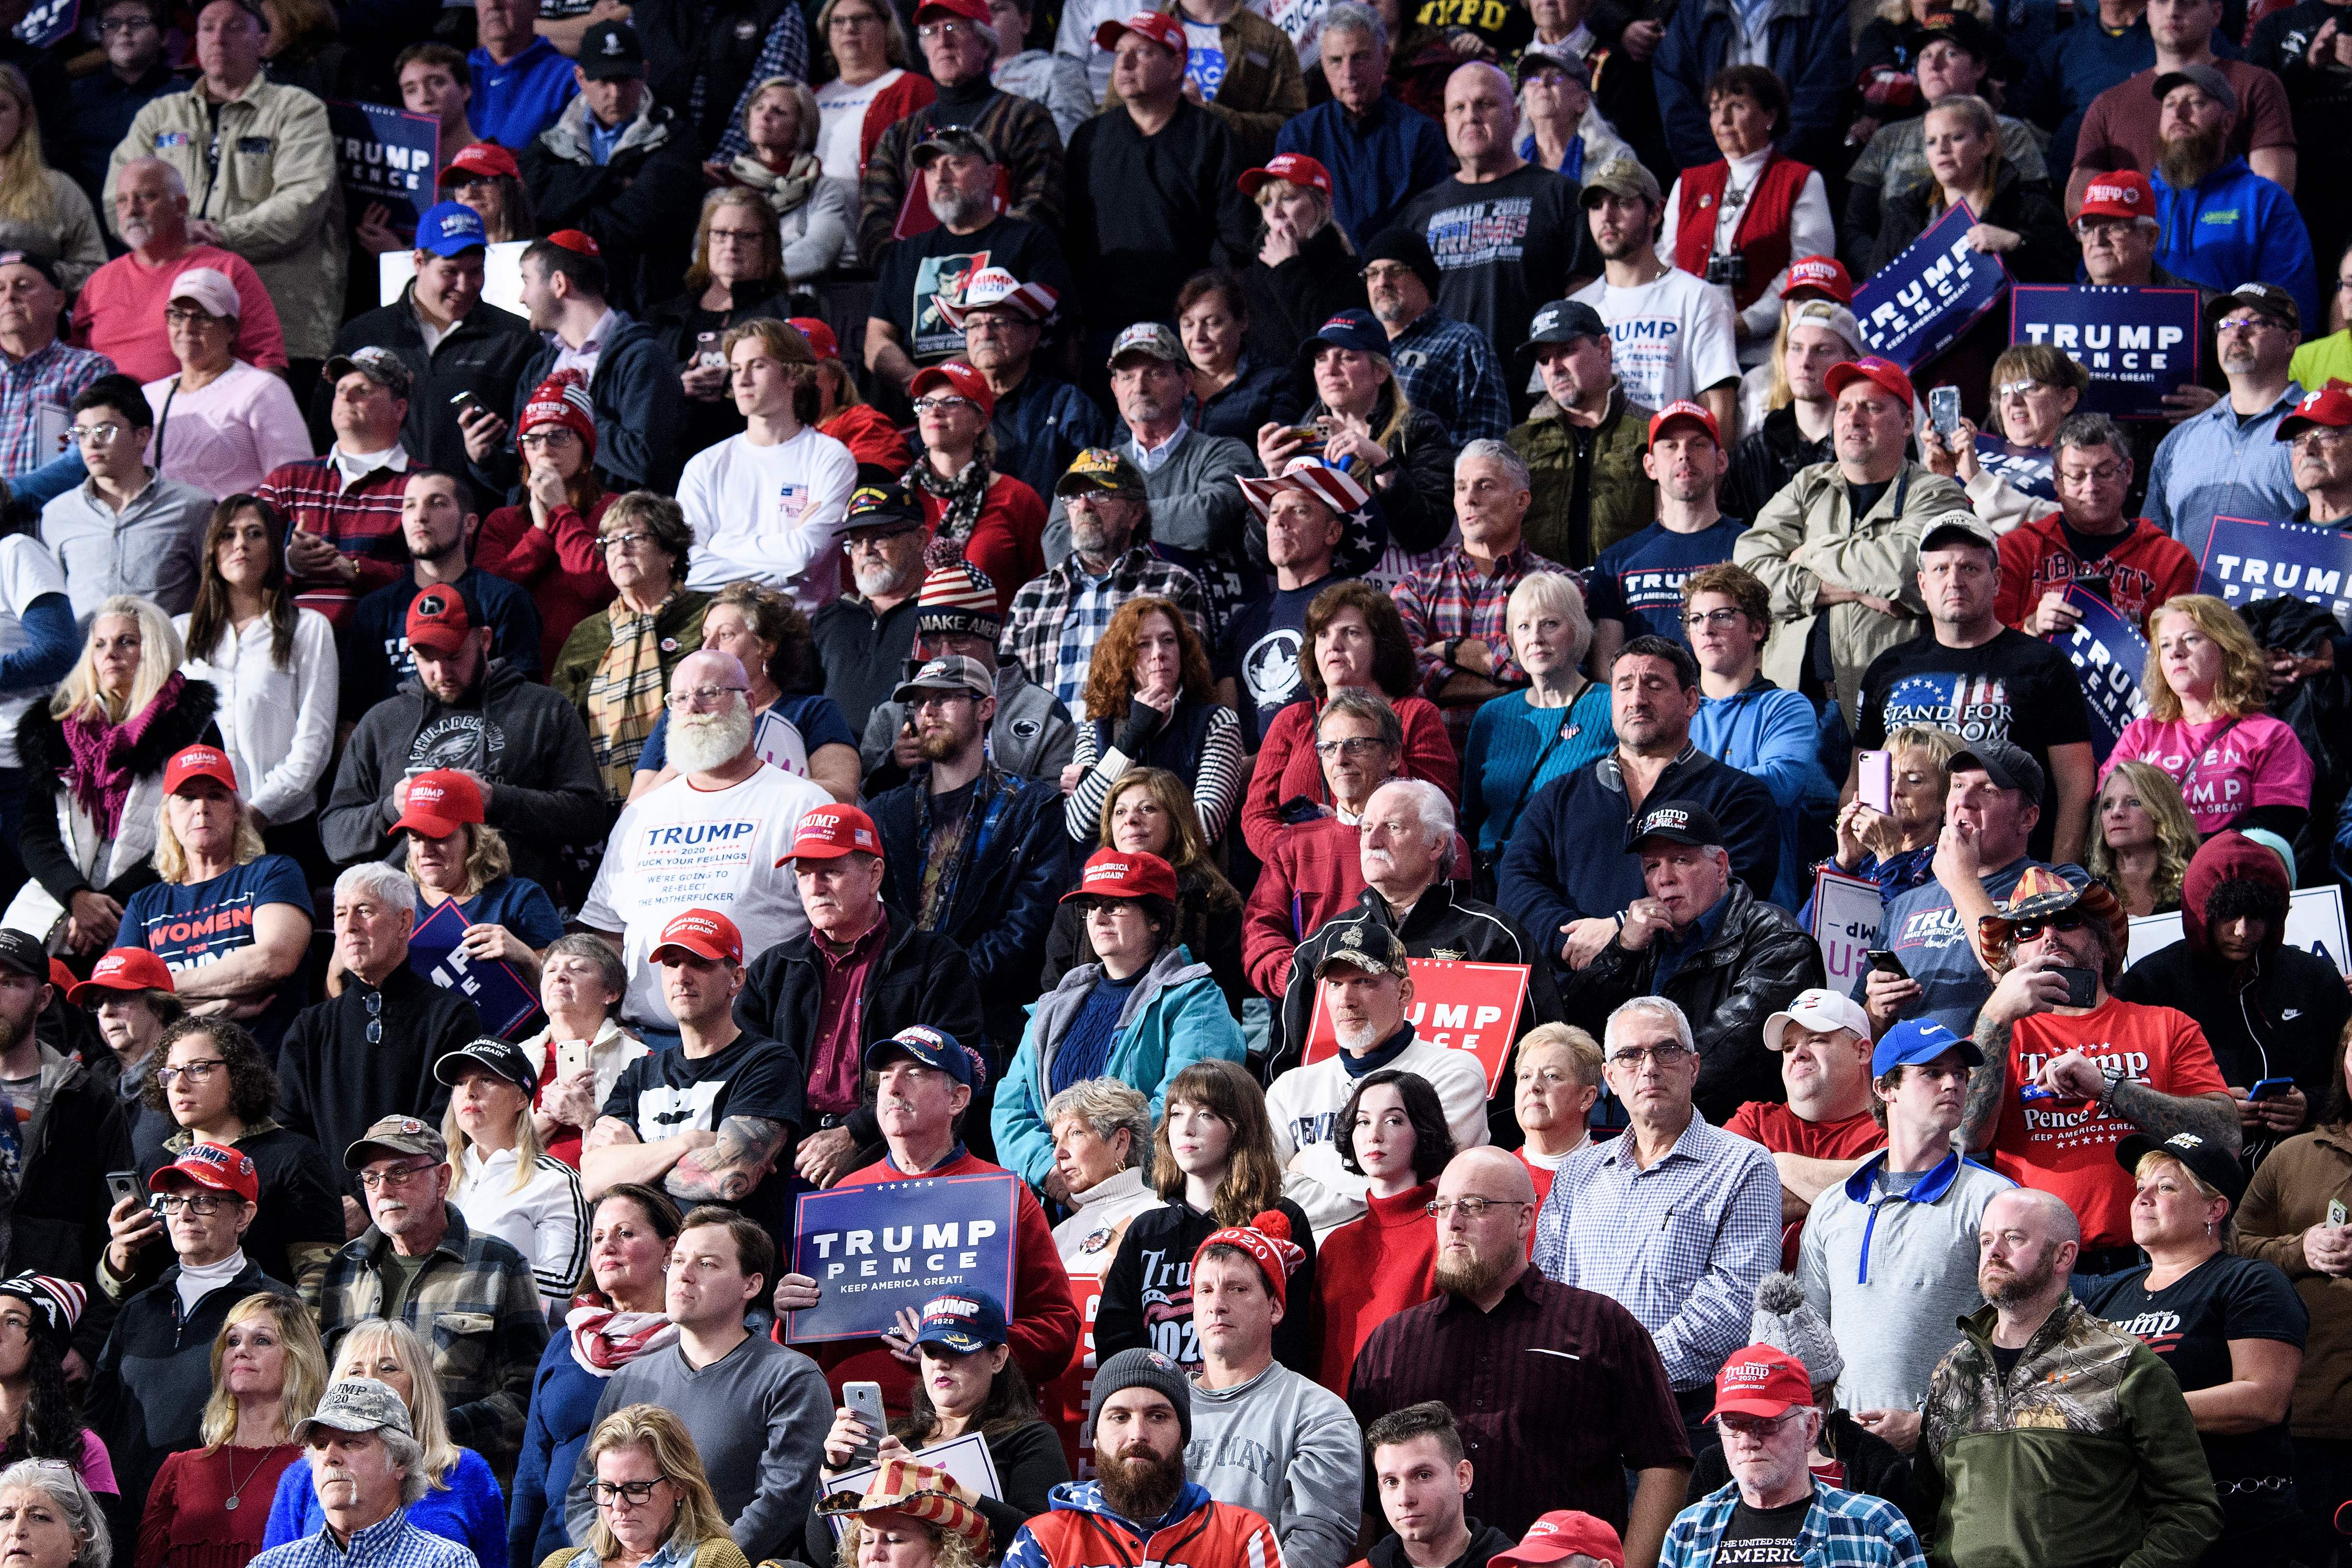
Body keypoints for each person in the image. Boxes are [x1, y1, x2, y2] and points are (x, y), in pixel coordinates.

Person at [1351, 1146, 1692, 1551]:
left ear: (1524, 1218)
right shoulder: (1392, 1343)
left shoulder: (1600, 1326)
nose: (1453, 1223)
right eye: (1441, 1208)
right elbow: (1364, 1491)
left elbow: (1664, 1462)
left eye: (1474, 1206)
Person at [768, 1025, 1081, 1406]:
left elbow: (1057, 1330)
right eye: (885, 1077)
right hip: (845, 1425)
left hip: (959, 1428)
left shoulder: (1003, 1195)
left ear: (958, 1099)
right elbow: (801, 1357)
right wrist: (789, 1319)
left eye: (914, 1073)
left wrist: (960, 1351)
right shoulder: (841, 1195)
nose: (894, 1087)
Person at [1912, 1186, 2223, 1565]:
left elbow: (2190, 1509)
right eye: (1986, 1240)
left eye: (2014, 1238)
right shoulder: (1952, 1370)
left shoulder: (2124, 1362)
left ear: (2063, 1256)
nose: (1994, 1252)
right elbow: (1923, 1511)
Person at [1963, 866, 2240, 1278]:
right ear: (2013, 958)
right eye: (2027, 930)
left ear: (2103, 941)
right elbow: (1964, 1135)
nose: (2049, 936)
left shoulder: (2167, 1025)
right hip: (2039, 1272)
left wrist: (2108, 1087)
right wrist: (1998, 1015)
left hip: (2154, 1264)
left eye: (2067, 920)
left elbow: (2226, 1136)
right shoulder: (2001, 1035)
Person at [1532, 996, 1781, 1437]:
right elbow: (1546, 1289)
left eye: (1666, 1050)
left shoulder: (1744, 1164)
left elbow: (1733, 1304)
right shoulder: (1576, 1173)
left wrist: (1619, 1373)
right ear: (1609, 1077)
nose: (1648, 1068)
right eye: (1630, 1055)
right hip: (1576, 1410)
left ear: (1694, 1066)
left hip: (1684, 1418)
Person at [1495, 638, 1781, 987]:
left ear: (1691, 701)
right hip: (1572, 995)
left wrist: (1621, 930)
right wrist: (1568, 939)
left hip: (1685, 1000)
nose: (1637, 700)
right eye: (1625, 686)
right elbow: (1516, 883)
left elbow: (1733, 895)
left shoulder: (1739, 796)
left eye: (1654, 685)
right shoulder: (1560, 796)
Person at [727, 802, 984, 1187]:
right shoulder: (772, 969)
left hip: (894, 1152)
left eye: (830, 871)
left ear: (874, 874)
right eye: (805, 875)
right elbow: (744, 1073)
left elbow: (951, 1067)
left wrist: (856, 1133)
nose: (815, 887)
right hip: (785, 1155)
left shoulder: (937, 961)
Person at [2083, 1129, 2309, 1559]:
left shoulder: (2251, 1282)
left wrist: (2131, 1411)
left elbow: (2261, 1400)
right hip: (2127, 1520)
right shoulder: (2109, 1295)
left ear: (2215, 1208)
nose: (2143, 1198)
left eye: (2165, 1187)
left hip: (2234, 1522)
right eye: (2140, 1187)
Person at [1793, 1017, 2011, 1458]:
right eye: (1932, 1073)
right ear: (1884, 1088)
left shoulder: (1996, 1200)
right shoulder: (1834, 1206)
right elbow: (1809, 1345)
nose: (1952, 1084)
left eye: (1960, 1075)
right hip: (1846, 1459)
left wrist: (1934, 1423)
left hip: (1958, 1460)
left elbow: (2024, 1346)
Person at [1271, 777, 1558, 1110]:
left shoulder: (1495, 937)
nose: (1372, 841)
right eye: (1366, 829)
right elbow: (1286, 1067)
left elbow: (1544, 1054)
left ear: (1436, 845)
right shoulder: (1325, 942)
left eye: (1392, 827)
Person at [559, 1209, 827, 1563]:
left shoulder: (790, 1378)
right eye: (679, 1260)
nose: (683, 1275)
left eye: (706, 1264)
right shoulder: (630, 1379)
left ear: (751, 1284)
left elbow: (781, 1504)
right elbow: (584, 1492)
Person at [848, 656, 1073, 1062]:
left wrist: (943, 981)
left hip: (987, 1028)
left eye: (945, 698)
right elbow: (865, 916)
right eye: (919, 703)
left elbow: (1028, 926)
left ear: (986, 708)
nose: (928, 712)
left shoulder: (1032, 808)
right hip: (890, 1025)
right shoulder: (886, 813)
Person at [321, 575, 605, 893]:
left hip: (509, 912)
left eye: (454, 656)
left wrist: (495, 799)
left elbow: (589, 816)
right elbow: (335, 837)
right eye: (426, 658)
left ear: (484, 640)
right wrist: (392, 808)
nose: (440, 673)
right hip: (407, 919)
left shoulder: (544, 709)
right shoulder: (382, 723)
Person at [103, 0, 344, 367]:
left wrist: (215, 235)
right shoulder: (159, 115)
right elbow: (116, 200)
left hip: (275, 319)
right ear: (194, 40)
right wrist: (174, 236)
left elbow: (301, 202)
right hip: (171, 328)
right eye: (208, 27)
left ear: (262, 42)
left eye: (234, 27)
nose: (218, 38)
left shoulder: (298, 109)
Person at [1733, 356, 1966, 728]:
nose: (1854, 419)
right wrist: (1852, 591)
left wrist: (1808, 552)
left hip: (1894, 711)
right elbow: (1749, 575)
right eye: (1844, 408)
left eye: (1872, 408)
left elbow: (1903, 570)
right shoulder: (1807, 484)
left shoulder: (1937, 494)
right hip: (1792, 710)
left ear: (1908, 422)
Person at [1852, 516, 2097, 865]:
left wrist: (2059, 878)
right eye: (1940, 569)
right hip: (1902, 870)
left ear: (1997, 581)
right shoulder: (1888, 668)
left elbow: (2076, 787)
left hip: (2009, 873)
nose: (1954, 581)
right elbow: (1865, 777)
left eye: (1970, 568)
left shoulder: (2043, 663)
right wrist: (1861, 867)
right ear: (1922, 584)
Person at [999, 847, 1246, 1193]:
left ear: (1156, 919)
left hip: (1150, 1199)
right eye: (1090, 908)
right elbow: (1011, 1108)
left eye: (1114, 906)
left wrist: (1101, 1174)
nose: (1098, 918)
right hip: (1060, 1203)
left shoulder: (1196, 999)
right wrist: (1053, 1175)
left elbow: (1188, 1102)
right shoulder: (1053, 1006)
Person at [1563, 800, 1823, 1125]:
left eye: (1680, 860)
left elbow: (1736, 1050)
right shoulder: (1644, 935)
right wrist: (1624, 950)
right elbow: (1579, 1025)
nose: (1665, 879)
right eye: (1651, 867)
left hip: (1730, 1130)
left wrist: (1637, 1087)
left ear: (1721, 865)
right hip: (1634, 1119)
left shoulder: (1775, 937)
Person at [315, 1114, 549, 1475]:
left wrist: (430, 1433)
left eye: (400, 1173)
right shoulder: (344, 1269)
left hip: (457, 1481)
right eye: (371, 1178)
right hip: (359, 1485)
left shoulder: (498, 1265)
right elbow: (324, 1386)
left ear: (442, 1179)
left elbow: (529, 1394)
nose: (383, 1189)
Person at [87, 1143, 296, 1511]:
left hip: (225, 1515)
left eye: (203, 1201)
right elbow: (96, 1419)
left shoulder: (278, 1307)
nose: (184, 1214)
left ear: (244, 1216)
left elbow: (298, 1412)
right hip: (126, 1518)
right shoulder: (140, 1308)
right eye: (173, 1201)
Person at [2116, 829, 2349, 1160]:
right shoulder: (2151, 983)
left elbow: (2343, 1076)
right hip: (2187, 1169)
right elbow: (2124, 1089)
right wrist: (2208, 1111)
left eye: (2255, 917)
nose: (2241, 932)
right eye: (2228, 915)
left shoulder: (2315, 979)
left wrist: (2310, 1105)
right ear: (2201, 911)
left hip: (2304, 1158)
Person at [577, 909, 804, 1238]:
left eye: (699, 962)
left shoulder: (768, 1063)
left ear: (736, 979)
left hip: (729, 1268)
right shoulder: (640, 1072)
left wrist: (636, 1157)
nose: (681, 976)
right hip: (649, 1268)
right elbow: (595, 1180)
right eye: (671, 964)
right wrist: (690, 1143)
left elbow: (731, 1176)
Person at [274, 864, 485, 1207]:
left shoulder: (449, 1016)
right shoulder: (310, 1026)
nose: (349, 925)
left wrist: (367, 1199)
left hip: (421, 1207)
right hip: (328, 1213)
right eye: (340, 914)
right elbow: (289, 1130)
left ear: (404, 922)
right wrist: (326, 1204)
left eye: (365, 911)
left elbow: (445, 1119)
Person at [15, 600, 217, 956]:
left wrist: (106, 907)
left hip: (154, 899)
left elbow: (193, 834)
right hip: (61, 898)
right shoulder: (54, 728)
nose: (111, 654)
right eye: (100, 644)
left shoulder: (192, 726)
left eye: (127, 642)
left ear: (154, 649)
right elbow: (35, 830)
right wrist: (76, 896)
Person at [1263, 923, 1491, 1235]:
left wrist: (1310, 1160)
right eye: (1335, 984)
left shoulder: (1453, 1073)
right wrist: (1374, 1186)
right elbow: (1266, 1198)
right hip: (1308, 1267)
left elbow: (1419, 1188)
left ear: (1404, 992)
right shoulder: (1289, 1089)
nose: (1346, 1000)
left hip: (1411, 1258)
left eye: (1364, 982)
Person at [1094, 1057, 1319, 1374]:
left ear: (1240, 1128)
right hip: (1162, 1412)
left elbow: (1293, 1337)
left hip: (1251, 1407)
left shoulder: (1280, 1219)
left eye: (1205, 1115)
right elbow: (1116, 1340)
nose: (1186, 1129)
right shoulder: (1146, 1231)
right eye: (1176, 1114)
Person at [816, 1285, 1070, 1554]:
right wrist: (833, 1469)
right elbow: (821, 1553)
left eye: (957, 1350)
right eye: (930, 1351)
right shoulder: (890, 1439)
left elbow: (1044, 1542)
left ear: (997, 1359)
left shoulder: (1030, 1438)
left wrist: (935, 1487)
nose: (940, 1363)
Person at [505, 1184, 679, 1568]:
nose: (606, 1246)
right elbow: (534, 1468)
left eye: (625, 1233)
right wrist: (518, 1554)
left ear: (670, 1249)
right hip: (557, 1551)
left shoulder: (696, 1341)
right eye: (598, 1237)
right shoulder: (566, 1341)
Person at [1174, 1213, 1361, 1568]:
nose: (1218, 1304)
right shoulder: (1161, 1407)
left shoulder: (1319, 1413)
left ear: (1275, 1307)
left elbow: (1317, 1543)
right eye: (1206, 1290)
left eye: (1237, 1289)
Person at [1041, 327, 1258, 619]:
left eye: (1154, 373)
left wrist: (1105, 522)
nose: (1139, 387)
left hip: (1204, 625)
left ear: (1186, 382)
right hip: (1109, 629)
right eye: (1127, 377)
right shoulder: (1088, 468)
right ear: (1115, 388)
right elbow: (1056, 544)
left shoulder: (1224, 453)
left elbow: (1208, 520)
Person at [1239, 578, 1459, 864]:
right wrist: (1304, 859)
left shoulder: (1417, 715)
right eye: (1323, 635)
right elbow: (1257, 815)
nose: (1334, 645)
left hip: (1390, 875)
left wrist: (1351, 842)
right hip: (1302, 879)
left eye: (1351, 633)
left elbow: (1436, 815)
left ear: (1382, 647)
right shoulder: (1292, 721)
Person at [1065, 13, 1257, 338]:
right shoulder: (1089, 138)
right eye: (1120, 53)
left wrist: (1202, 309)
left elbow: (1236, 234)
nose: (1125, 64)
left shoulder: (1212, 137)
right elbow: (1072, 234)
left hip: (1188, 327)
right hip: (1104, 326)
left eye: (1142, 52)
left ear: (1175, 65)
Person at [1001, 1349, 1284, 1568]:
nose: (1138, 1434)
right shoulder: (1043, 1541)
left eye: (1158, 1416)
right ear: (1095, 1436)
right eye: (1120, 1417)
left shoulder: (1245, 1537)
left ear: (1184, 1435)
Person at [326, 203, 535, 500]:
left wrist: (489, 461)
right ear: (418, 262)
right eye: (450, 271)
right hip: (377, 510)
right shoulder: (364, 334)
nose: (463, 286)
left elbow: (530, 448)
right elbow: (326, 428)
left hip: (474, 516)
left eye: (476, 272)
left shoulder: (515, 339)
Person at [458, 233, 689, 498]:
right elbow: (519, 475)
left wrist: (574, 412)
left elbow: (647, 462)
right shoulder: (539, 367)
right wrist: (485, 457)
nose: (522, 298)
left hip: (612, 528)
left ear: (559, 283)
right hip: (547, 529)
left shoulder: (642, 358)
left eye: (527, 281)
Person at [113, 745, 312, 1047]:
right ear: (168, 817)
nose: (201, 807)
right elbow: (124, 1000)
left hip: (260, 1061)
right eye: (188, 797)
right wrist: (224, 1000)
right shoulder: (144, 904)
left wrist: (162, 990)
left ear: (236, 812)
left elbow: (274, 959)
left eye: (215, 796)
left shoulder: (274, 873)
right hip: (172, 1070)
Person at [1658, 1344, 1927, 1568]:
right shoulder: (1688, 1531)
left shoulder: (1876, 1527)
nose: (1748, 1441)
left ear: (1810, 1428)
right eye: (1733, 1425)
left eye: (1767, 1424)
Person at [269, 1317, 508, 1568]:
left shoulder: (467, 1471)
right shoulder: (302, 1477)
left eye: (388, 1368)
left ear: (419, 1385)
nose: (369, 1380)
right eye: (355, 1371)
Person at [172, 497, 337, 859]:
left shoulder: (309, 629)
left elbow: (315, 740)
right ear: (212, 550)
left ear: (275, 549)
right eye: (227, 535)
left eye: (254, 534)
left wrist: (256, 812)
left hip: (283, 827)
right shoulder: (179, 634)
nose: (241, 545)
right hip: (199, 830)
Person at [130, 1018, 341, 1297]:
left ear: (241, 1073)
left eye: (198, 1069)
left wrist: (286, 1338)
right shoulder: (158, 1162)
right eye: (170, 1073)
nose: (179, 1085)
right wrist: (120, 1259)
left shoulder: (293, 1157)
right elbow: (124, 1293)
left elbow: (320, 1278)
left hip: (258, 1332)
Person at [1397, 63, 1592, 366]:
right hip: (1443, 393)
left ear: (1515, 116)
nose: (1470, 116)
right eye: (1458, 108)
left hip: (1537, 390)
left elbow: (1584, 298)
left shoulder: (1561, 195)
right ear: (1446, 120)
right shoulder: (1418, 214)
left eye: (1484, 104)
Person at [854, 0, 1064, 269]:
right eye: (931, 31)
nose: (943, 41)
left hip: (1000, 281)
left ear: (985, 44)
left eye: (953, 27)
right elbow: (874, 221)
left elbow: (1042, 205)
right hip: (916, 285)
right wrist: (913, 273)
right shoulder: (899, 135)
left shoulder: (1025, 118)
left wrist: (974, 265)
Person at [1394, 443, 1573, 760]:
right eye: (1461, 487)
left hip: (1529, 767)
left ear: (1522, 500)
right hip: (1433, 771)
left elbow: (1559, 669)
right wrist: (1509, 688)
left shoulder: (1559, 584)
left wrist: (1451, 651)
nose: (1469, 498)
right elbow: (1401, 673)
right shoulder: (1415, 588)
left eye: (1484, 486)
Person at [512, 20, 703, 317]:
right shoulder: (548, 144)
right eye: (603, 81)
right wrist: (613, 181)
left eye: (624, 80)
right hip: (569, 306)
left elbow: (646, 220)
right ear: (580, 77)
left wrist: (569, 217)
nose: (615, 93)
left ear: (645, 72)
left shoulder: (677, 139)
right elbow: (530, 204)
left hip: (654, 307)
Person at [865, 124, 1073, 393]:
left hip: (1003, 406)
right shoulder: (906, 252)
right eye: (930, 167)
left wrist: (946, 379)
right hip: (920, 407)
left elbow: (1054, 335)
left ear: (990, 176)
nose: (941, 177)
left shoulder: (1029, 242)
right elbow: (875, 341)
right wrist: (917, 383)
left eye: (956, 163)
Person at [1251, 315, 1454, 585]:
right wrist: (1274, 483)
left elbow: (1428, 532)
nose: (1330, 369)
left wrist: (1382, 464)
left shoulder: (1418, 430)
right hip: (1323, 596)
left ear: (1380, 372)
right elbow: (1258, 555)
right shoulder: (1297, 445)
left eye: (1346, 357)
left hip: (1400, 595)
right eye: (1321, 359)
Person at [1005, 451, 1215, 711]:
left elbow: (1192, 690)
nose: (1084, 506)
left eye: (1098, 494)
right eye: (1073, 498)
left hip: (1140, 745)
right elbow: (1007, 695)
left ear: (1135, 512)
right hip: (1047, 750)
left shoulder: (1173, 585)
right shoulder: (1032, 597)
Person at [1657, 67, 1834, 373]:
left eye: (1737, 107)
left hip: (1765, 353)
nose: (1722, 120)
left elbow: (1806, 271)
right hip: (1690, 350)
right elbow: (1665, 260)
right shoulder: (1688, 183)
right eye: (1715, 109)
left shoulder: (1800, 180)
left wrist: (1747, 323)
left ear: (1770, 117)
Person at [1681, 563, 1835, 913]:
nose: (1706, 628)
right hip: (1676, 903)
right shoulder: (1675, 711)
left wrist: (1679, 786)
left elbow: (1779, 783)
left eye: (1722, 616)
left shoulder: (1785, 707)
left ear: (1757, 627)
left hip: (1760, 905)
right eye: (1696, 618)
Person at [132, 1293, 327, 1568]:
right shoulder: (179, 1469)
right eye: (233, 1340)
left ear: (297, 1358)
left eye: (262, 1340)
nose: (241, 1350)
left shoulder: (317, 1466)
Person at [677, 321, 857, 614]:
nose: (743, 380)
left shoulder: (830, 458)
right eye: (736, 369)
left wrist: (719, 543)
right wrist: (784, 571)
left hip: (803, 630)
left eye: (757, 366)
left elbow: (805, 554)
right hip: (723, 632)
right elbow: (690, 568)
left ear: (793, 375)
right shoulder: (705, 465)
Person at [2103, 594, 2314, 841]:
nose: (2176, 653)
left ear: (2228, 649)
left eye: (2191, 639)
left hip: (2230, 872)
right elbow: (2105, 815)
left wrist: (2188, 855)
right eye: (2166, 645)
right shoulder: (2139, 735)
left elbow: (2274, 830)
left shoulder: (2271, 736)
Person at [629, 581, 861, 804]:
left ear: (765, 647)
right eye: (706, 635)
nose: (708, 647)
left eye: (726, 635)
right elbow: (632, 809)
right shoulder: (682, 715)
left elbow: (841, 794)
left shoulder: (812, 712)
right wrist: (680, 769)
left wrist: (744, 784)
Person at [859, 560, 1075, 792]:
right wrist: (893, 767)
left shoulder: (1043, 711)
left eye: (959, 641)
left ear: (991, 635)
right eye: (934, 641)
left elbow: (1058, 804)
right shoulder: (894, 706)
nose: (945, 653)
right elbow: (860, 799)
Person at [71, 160, 286, 388]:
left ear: (181, 206)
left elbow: (267, 366)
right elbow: (72, 363)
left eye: (145, 197)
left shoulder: (227, 269)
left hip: (198, 416)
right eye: (122, 201)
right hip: (107, 418)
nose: (131, 210)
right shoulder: (100, 280)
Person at [550, 492, 708, 801]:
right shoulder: (587, 634)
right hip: (602, 800)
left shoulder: (707, 616)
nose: (621, 549)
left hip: (695, 785)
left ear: (670, 552)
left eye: (635, 537)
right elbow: (562, 725)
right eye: (610, 541)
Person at [345, 474, 547, 715]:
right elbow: (353, 717)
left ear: (469, 524)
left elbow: (527, 706)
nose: (420, 517)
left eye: (437, 503)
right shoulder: (375, 610)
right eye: (410, 505)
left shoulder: (505, 600)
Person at [1990, 410, 2197, 640]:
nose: (2091, 487)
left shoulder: (2170, 560)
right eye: (2077, 475)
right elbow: (1987, 646)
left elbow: (2184, 652)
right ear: (2057, 479)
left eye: (2104, 472)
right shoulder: (2017, 550)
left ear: (2128, 472)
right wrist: (2031, 625)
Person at [1570, 160, 1742, 435]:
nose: (1606, 216)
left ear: (1656, 212)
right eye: (1596, 206)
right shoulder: (1576, 309)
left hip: (1670, 468)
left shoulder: (1698, 298)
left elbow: (1718, 410)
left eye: (1622, 203)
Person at [2070, 0, 2297, 205]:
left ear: (2216, 13)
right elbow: (2079, 201)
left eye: (2188, 3)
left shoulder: (2256, 85)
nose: (2172, 11)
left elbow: (2274, 193)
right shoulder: (2108, 104)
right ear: (2148, 12)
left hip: (2229, 245)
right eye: (2161, 2)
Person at [1458, 572, 1613, 869]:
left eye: (1550, 624)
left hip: (1575, 876)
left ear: (1578, 630)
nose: (1536, 638)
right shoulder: (1491, 717)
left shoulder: (1611, 706)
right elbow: (1471, 819)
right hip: (1497, 884)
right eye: (1524, 627)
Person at [1061, 598, 1245, 846]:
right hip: (1111, 881)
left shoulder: (1217, 722)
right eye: (1143, 645)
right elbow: (1079, 825)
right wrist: (1132, 736)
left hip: (1185, 881)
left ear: (1183, 650)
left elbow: (1206, 827)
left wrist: (1101, 792)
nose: (1159, 653)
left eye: (1169, 641)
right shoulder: (1096, 729)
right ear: (1123, 658)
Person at [1270, 4, 1451, 252]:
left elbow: (1432, 227)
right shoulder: (1298, 136)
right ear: (1323, 65)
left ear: (1385, 57)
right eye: (1336, 61)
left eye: (1360, 57)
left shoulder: (1421, 135)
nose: (1348, 73)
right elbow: (1290, 224)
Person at [2147, 67, 2320, 327]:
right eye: (2169, 104)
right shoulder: (2138, 200)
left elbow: (2290, 308)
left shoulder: (2264, 200)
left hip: (2230, 357)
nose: (2179, 114)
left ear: (2227, 123)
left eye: (2196, 103)